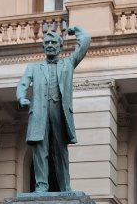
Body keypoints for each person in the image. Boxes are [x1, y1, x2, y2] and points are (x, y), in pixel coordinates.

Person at [16, 25, 91, 193]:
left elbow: (85, 42)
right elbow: (22, 84)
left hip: (59, 111)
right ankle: (41, 186)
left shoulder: (68, 63)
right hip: (39, 112)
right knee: (39, 150)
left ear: (60, 46)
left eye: (53, 42)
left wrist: (77, 31)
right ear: (43, 46)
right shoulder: (33, 68)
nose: (50, 45)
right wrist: (21, 97)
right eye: (47, 42)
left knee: (60, 151)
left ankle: (65, 187)